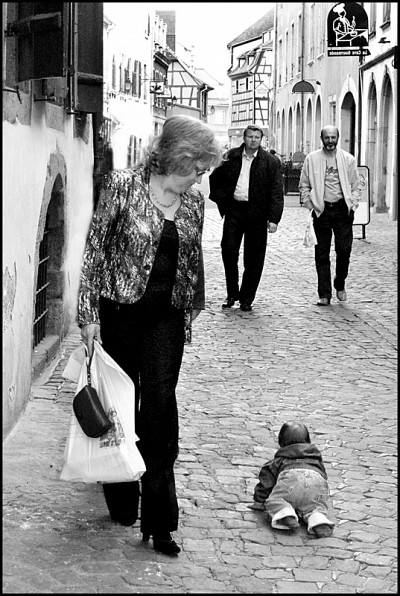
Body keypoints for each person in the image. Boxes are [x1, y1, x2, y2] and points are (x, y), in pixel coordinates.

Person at [78, 115, 222, 556]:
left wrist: (190, 309)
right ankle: (122, 491)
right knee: (121, 406)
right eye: (198, 168)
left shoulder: (194, 202)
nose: (201, 177)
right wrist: (88, 314)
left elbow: (192, 260)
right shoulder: (122, 186)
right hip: (120, 312)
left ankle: (160, 521)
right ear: (179, 157)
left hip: (166, 318)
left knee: (160, 411)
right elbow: (95, 251)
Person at [208, 125, 283, 312]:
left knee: (254, 257)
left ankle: (247, 298)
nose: (253, 140)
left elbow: (276, 191)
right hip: (235, 210)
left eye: (257, 137)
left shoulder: (270, 161)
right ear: (244, 138)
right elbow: (215, 178)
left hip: (257, 213)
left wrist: (274, 218)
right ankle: (232, 293)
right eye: (250, 136)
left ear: (261, 139)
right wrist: (223, 200)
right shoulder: (231, 156)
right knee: (228, 251)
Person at [299, 125, 360, 306]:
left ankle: (339, 283)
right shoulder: (312, 159)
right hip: (322, 210)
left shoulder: (348, 159)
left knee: (344, 250)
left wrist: (353, 205)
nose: (330, 141)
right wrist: (310, 204)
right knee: (322, 253)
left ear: (337, 138)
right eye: (327, 137)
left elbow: (356, 186)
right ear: (322, 139)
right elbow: (304, 185)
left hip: (342, 209)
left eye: (333, 137)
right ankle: (324, 294)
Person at [248, 422, 335, 538]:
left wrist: (259, 501)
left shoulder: (280, 459)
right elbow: (323, 476)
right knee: (315, 506)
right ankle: (318, 520)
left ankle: (285, 513)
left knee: (276, 500)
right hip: (316, 482)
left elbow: (267, 480)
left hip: (292, 480)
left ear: (281, 441)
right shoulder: (316, 458)